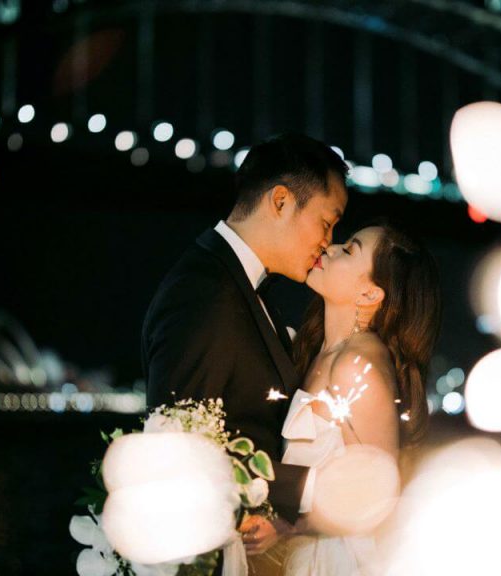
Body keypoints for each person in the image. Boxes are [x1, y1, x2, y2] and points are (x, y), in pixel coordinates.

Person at [141, 133, 350, 563]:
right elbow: (183, 452)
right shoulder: (204, 293)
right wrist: (318, 486)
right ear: (280, 202)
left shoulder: (238, 285)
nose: (328, 241)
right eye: (327, 222)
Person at [280, 222, 442, 575]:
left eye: (349, 249)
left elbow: (378, 495)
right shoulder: (316, 351)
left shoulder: (358, 365)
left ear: (370, 295)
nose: (330, 248)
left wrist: (288, 525)